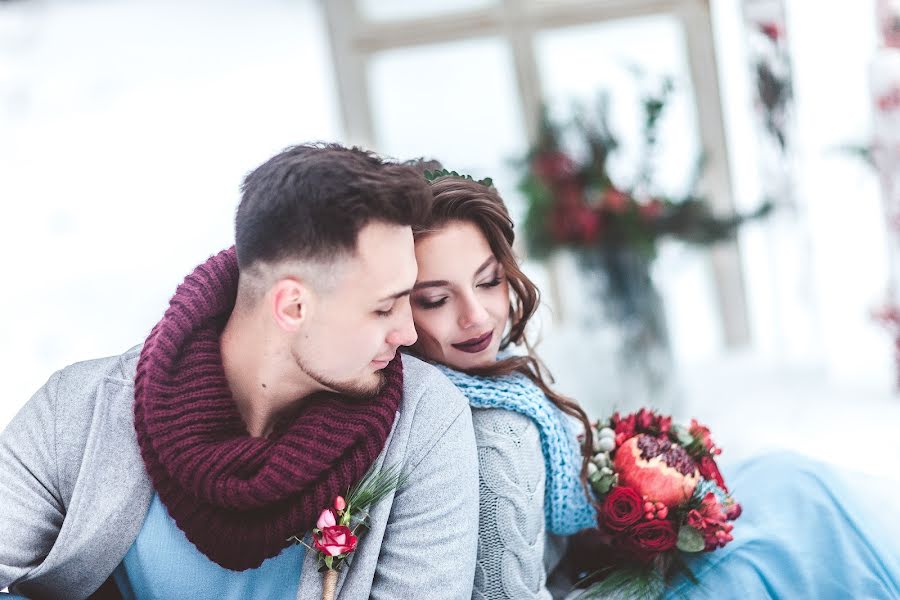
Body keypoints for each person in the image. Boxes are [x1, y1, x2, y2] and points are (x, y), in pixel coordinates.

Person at [0, 144, 479, 600]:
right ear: (292, 306)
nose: (408, 334)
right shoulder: (77, 410)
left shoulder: (425, 423)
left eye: (411, 299)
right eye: (382, 309)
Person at [407, 172, 900, 599]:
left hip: (587, 567)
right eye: (435, 299)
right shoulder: (492, 438)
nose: (475, 317)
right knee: (791, 534)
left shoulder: (500, 372)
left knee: (789, 482)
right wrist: (649, 553)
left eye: (489, 281)